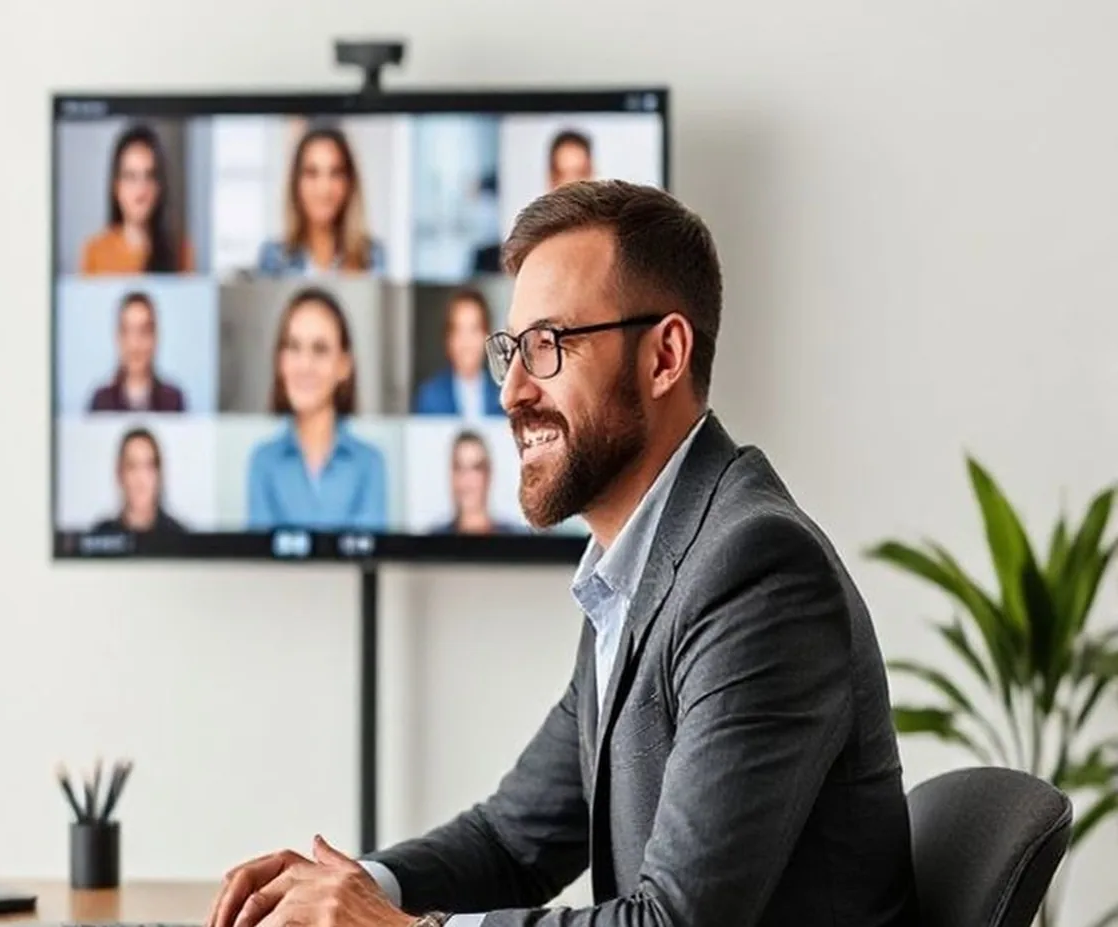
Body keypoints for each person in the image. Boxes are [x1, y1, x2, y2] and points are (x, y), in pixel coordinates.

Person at [208, 180, 917, 927]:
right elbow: (512, 842)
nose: (511, 392)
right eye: (512, 350)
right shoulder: (638, 568)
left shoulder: (756, 571)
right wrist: (346, 888)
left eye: (549, 345)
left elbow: (671, 923)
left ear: (664, 355)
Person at [245, 287, 387, 531]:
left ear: (344, 366)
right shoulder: (262, 461)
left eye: (320, 349)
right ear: (280, 361)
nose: (304, 365)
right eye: (293, 347)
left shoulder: (370, 463)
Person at [257, 124, 387, 276]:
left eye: (336, 173)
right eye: (311, 173)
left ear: (350, 183)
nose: (324, 189)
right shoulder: (274, 256)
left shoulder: (372, 255)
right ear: (296, 183)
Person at [78, 122, 195, 274]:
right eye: (130, 176)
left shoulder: (181, 250)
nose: (141, 188)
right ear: (116, 186)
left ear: (160, 186)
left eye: (149, 176)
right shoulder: (95, 251)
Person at [473, 129, 596, 273]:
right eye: (562, 173)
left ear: (591, 173)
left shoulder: (607, 236)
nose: (571, 183)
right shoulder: (530, 238)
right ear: (550, 177)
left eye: (579, 172)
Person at [87, 290, 185, 413]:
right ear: (118, 338)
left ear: (155, 338)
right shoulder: (101, 401)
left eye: (144, 331)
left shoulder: (173, 400)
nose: (135, 344)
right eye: (128, 331)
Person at [412, 287, 504, 417]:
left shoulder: (503, 395)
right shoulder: (430, 396)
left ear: (486, 336)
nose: (466, 342)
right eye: (458, 330)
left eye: (474, 329)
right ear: (448, 339)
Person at [90, 427, 185, 535]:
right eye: (132, 466)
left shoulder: (180, 536)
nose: (140, 478)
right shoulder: (101, 534)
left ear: (159, 474)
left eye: (149, 466)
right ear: (119, 474)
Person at [429, 430, 517, 535]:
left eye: (475, 468)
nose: (466, 479)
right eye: (458, 468)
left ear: (488, 475)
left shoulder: (516, 538)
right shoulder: (433, 538)